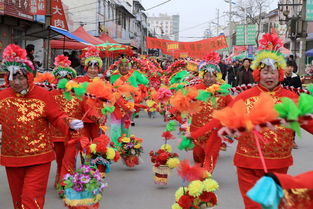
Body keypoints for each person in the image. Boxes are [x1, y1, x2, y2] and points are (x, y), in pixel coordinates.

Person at [191, 33, 313, 209]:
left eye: (273, 72)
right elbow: (222, 122)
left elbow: (308, 122)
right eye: (265, 72)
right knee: (253, 206)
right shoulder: (244, 97)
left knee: (273, 205)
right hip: (247, 164)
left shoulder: (291, 98)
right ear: (258, 74)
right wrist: (197, 134)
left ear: (279, 74)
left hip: (279, 165)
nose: (269, 76)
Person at [0, 44, 84, 209]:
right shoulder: (2, 97)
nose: (16, 82)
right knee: (18, 203)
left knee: (31, 201)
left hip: (39, 158)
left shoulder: (42, 95)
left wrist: (69, 122)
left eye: (21, 78)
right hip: (12, 158)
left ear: (29, 77)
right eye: (12, 78)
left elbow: (57, 116)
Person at [49, 54, 102, 186]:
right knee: (60, 159)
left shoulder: (78, 94)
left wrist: (97, 118)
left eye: (67, 78)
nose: (63, 81)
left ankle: (66, 183)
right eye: (60, 78)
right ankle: (59, 177)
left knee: (69, 159)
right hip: (57, 134)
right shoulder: (50, 95)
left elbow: (88, 109)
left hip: (75, 133)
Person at [190, 52, 232, 166]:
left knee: (211, 154)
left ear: (217, 77)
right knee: (198, 153)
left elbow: (232, 106)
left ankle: (207, 174)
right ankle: (200, 169)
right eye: (207, 75)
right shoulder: (195, 89)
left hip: (215, 130)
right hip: (197, 129)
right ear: (202, 76)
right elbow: (184, 103)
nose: (209, 78)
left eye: (212, 76)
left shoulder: (222, 91)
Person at [109, 58, 149, 144]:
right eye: (122, 66)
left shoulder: (133, 75)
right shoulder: (113, 76)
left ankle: (125, 144)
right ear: (118, 67)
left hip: (128, 103)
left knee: (125, 125)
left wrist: (139, 75)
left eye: (126, 66)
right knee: (115, 125)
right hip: (116, 103)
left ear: (129, 67)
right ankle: (115, 145)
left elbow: (145, 81)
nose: (124, 68)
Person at [282, 61, 302, 149]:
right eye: (288, 66)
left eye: (291, 67)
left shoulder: (296, 78)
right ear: (284, 67)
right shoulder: (281, 78)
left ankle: (292, 140)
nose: (289, 68)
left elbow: (300, 91)